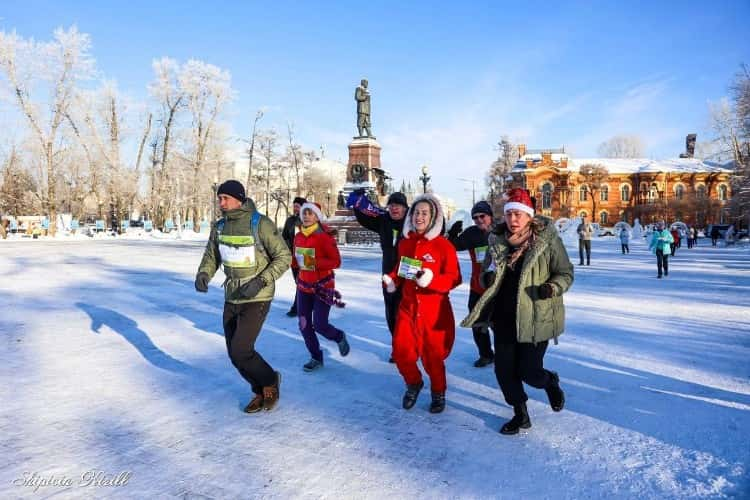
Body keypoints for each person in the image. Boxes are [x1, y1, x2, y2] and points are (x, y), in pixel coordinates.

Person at [461, 188, 573, 435]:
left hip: (535, 317)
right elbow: (485, 269)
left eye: (518, 215)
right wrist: (487, 276)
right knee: (504, 371)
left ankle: (549, 381)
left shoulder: (547, 241)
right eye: (509, 214)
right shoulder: (497, 240)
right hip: (503, 318)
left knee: (529, 372)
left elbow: (565, 272)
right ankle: (520, 414)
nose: (513, 220)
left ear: (529, 216)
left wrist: (553, 287)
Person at [195, 180, 291, 413]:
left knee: (241, 350)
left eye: (225, 198)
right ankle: (258, 391)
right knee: (233, 353)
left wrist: (260, 281)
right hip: (232, 294)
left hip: (257, 296)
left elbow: (284, 257)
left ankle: (270, 381)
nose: (221, 202)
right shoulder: (219, 227)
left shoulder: (261, 224)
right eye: (219, 198)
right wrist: (204, 273)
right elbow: (212, 255)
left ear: (239, 198)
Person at [382, 194, 461, 414]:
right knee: (400, 352)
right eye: (416, 212)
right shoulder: (406, 243)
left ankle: (438, 392)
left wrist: (431, 280)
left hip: (434, 311)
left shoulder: (444, 246)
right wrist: (392, 279)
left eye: (424, 213)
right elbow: (402, 268)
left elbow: (455, 278)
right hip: (408, 308)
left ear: (434, 216)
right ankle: (414, 383)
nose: (419, 217)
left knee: (432, 358)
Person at [347, 189, 409, 362]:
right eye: (392, 205)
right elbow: (365, 219)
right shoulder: (383, 221)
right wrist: (358, 204)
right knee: (391, 312)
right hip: (388, 272)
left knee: (408, 312)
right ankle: (397, 347)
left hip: (408, 272)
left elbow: (432, 224)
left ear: (405, 208)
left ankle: (410, 344)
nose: (395, 208)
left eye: (399, 205)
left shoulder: (413, 221)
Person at [292, 202, 349, 371]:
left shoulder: (324, 236)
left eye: (311, 213)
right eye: (304, 213)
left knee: (320, 325)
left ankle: (338, 336)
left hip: (323, 287)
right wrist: (293, 263)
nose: (307, 216)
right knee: (303, 325)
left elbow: (336, 261)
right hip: (304, 287)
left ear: (317, 216)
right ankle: (316, 357)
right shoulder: (298, 236)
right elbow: (296, 259)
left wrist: (314, 262)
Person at [447, 200, 495, 367]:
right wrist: (452, 234)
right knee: (477, 323)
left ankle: (507, 356)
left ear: (490, 216)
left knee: (499, 324)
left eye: (482, 216)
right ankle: (486, 354)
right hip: (477, 287)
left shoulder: (501, 232)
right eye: (475, 217)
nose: (479, 220)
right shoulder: (472, 234)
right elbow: (451, 246)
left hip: (498, 288)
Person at [282, 196, 307, 317]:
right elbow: (285, 237)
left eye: (297, 206)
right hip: (294, 256)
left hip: (307, 255)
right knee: (299, 282)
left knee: (302, 281)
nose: (295, 208)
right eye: (294, 206)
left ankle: (297, 307)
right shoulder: (290, 221)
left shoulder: (309, 219)